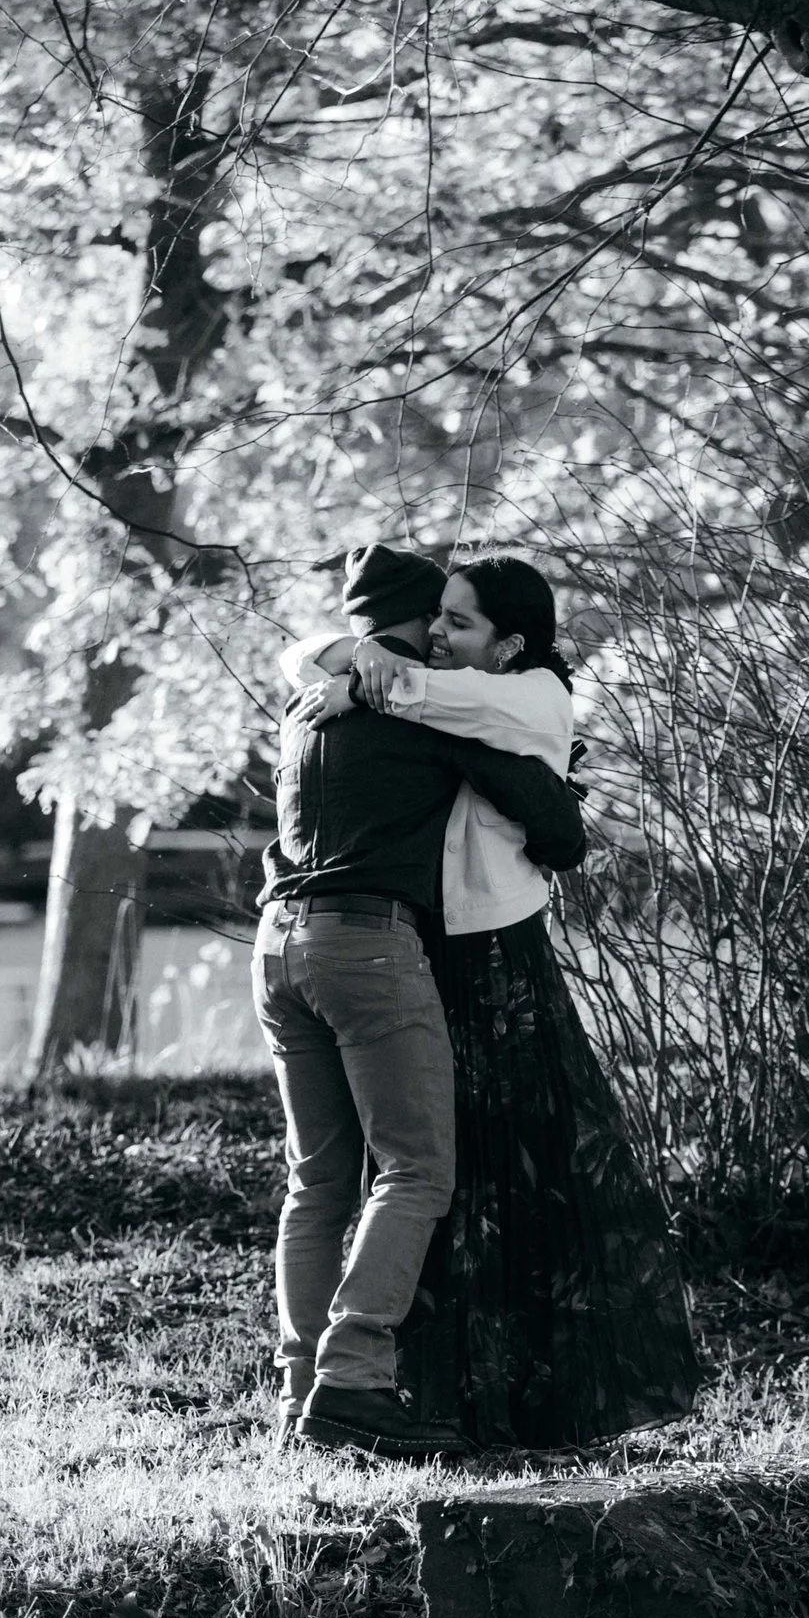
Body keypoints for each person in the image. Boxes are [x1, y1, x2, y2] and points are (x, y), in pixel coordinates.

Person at [293, 556, 701, 1452]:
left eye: (460, 623)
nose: (440, 635)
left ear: (511, 642)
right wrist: (348, 658)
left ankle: (512, 1402)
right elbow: (354, 674)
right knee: (438, 1180)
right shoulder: (448, 689)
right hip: (423, 953)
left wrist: (365, 677)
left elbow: (443, 725)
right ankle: (400, 1392)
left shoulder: (529, 697)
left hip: (494, 960)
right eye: (436, 618)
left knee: (505, 1178)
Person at [254, 541, 586, 1458]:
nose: (442, 638)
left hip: (276, 944)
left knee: (318, 1180)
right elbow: (553, 825)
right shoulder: (419, 709)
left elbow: (312, 654)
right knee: (413, 1171)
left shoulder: (308, 707)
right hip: (366, 946)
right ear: (406, 629)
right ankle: (354, 1381)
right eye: (435, 619)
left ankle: (298, 1390)